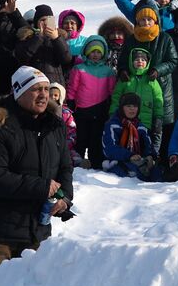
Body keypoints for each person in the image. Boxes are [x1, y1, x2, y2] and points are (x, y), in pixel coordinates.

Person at [0, 66, 74, 275]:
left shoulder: (54, 126)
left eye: (46, 89)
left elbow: (65, 167)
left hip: (38, 233)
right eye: (36, 89)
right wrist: (42, 187)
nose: (43, 95)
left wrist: (65, 198)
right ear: (19, 92)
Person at [66, 35, 115, 169]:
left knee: (96, 137)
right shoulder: (79, 69)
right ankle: (78, 161)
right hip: (81, 110)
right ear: (87, 52)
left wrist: (112, 106)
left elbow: (112, 91)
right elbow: (72, 88)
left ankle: (96, 163)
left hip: (100, 110)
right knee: (81, 137)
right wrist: (70, 102)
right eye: (93, 51)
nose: (95, 55)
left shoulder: (108, 71)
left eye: (99, 52)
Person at [110, 47, 166, 153]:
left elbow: (158, 100)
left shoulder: (152, 81)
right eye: (136, 60)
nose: (140, 62)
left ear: (147, 63)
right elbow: (116, 97)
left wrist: (158, 117)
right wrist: (113, 114)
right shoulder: (125, 79)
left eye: (143, 60)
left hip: (145, 123)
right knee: (127, 146)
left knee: (144, 147)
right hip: (126, 123)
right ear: (131, 62)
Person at [13, 5, 74, 86]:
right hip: (35, 84)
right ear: (37, 22)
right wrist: (39, 37)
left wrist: (56, 39)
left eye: (49, 19)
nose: (46, 23)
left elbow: (66, 59)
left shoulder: (59, 37)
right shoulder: (27, 36)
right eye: (43, 20)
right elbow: (22, 57)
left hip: (55, 86)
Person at [101, 92, 156, 180]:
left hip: (139, 162)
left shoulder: (141, 127)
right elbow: (109, 149)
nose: (132, 109)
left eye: (135, 106)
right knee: (133, 175)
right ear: (122, 108)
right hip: (117, 162)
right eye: (128, 106)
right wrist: (129, 156)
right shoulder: (112, 125)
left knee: (156, 173)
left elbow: (148, 146)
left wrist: (150, 156)